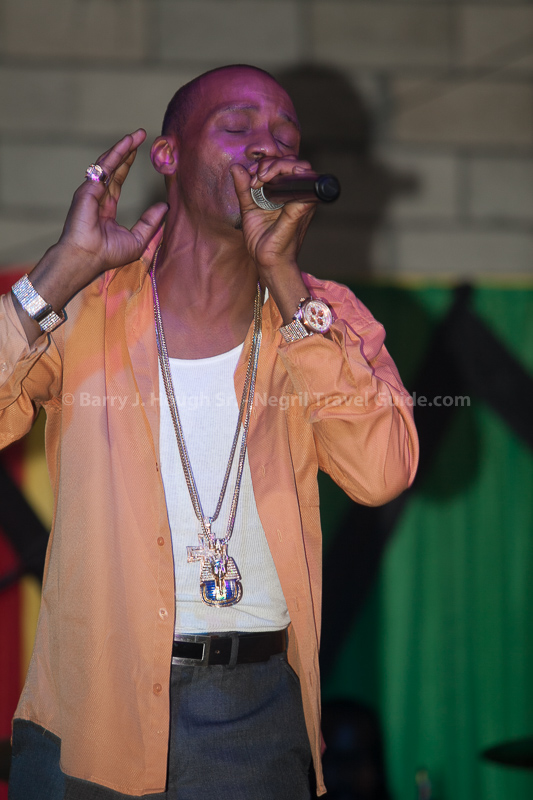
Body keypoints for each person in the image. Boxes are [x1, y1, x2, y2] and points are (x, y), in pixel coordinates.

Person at [1, 65, 418, 799]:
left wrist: (284, 278)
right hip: (89, 711)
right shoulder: (84, 308)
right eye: (236, 127)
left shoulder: (322, 318)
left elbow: (382, 471)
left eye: (284, 136)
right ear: (167, 155)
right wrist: (59, 273)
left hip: (252, 719)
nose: (266, 148)